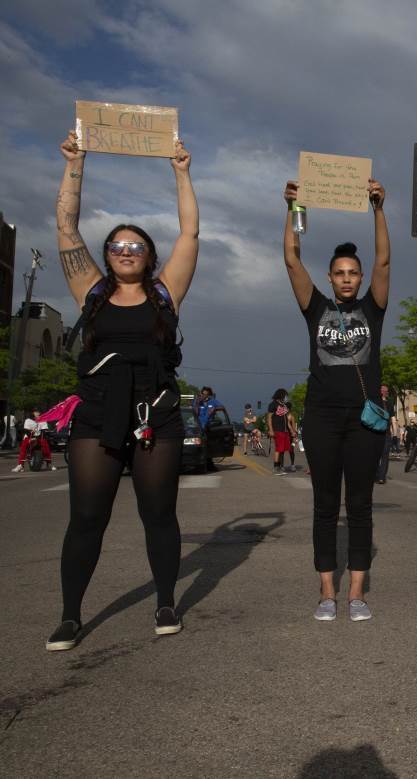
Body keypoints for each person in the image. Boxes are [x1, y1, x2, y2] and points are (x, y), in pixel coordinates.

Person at [46, 129, 198, 651]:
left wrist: (181, 172)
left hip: (156, 412)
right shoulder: (90, 291)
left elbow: (190, 232)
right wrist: (75, 164)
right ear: (107, 255)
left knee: (158, 515)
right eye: (117, 246)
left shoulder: (164, 293)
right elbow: (66, 226)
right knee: (87, 517)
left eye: (136, 246)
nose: (126, 251)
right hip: (97, 414)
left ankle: (165, 603)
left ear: (149, 255)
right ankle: (70, 616)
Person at [281, 176, 389, 623]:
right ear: (330, 278)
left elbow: (384, 259)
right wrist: (292, 208)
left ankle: (357, 594)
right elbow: (291, 259)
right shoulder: (316, 307)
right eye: (340, 273)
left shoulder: (372, 308)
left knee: (359, 505)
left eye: (353, 273)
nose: (347, 279)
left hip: (363, 421)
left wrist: (378, 208)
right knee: (325, 506)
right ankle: (327, 591)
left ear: (360, 278)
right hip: (322, 418)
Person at [194, 387, 225, 471]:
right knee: (198, 446)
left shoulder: (213, 401)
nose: (204, 396)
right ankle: (197, 463)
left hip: (209, 426)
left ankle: (209, 464)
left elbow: (222, 407)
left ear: (209, 395)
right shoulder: (197, 401)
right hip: (198, 427)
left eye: (206, 394)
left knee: (209, 446)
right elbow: (195, 413)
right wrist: (197, 403)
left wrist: (214, 408)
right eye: (203, 394)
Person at [267, 389, 293, 475]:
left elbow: (286, 419)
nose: (286, 397)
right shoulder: (273, 404)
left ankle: (280, 466)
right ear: (280, 395)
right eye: (285, 396)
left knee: (282, 449)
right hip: (277, 430)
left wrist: (291, 430)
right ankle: (276, 468)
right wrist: (271, 430)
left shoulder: (283, 405)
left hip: (284, 430)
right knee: (278, 449)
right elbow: (269, 418)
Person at [375, 385, 393, 484]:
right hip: (385, 432)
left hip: (378, 432)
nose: (386, 392)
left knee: (378, 455)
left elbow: (393, 419)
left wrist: (395, 433)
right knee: (384, 456)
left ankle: (379, 476)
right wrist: (395, 433)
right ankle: (381, 476)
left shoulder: (375, 402)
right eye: (386, 391)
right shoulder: (388, 403)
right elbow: (393, 419)